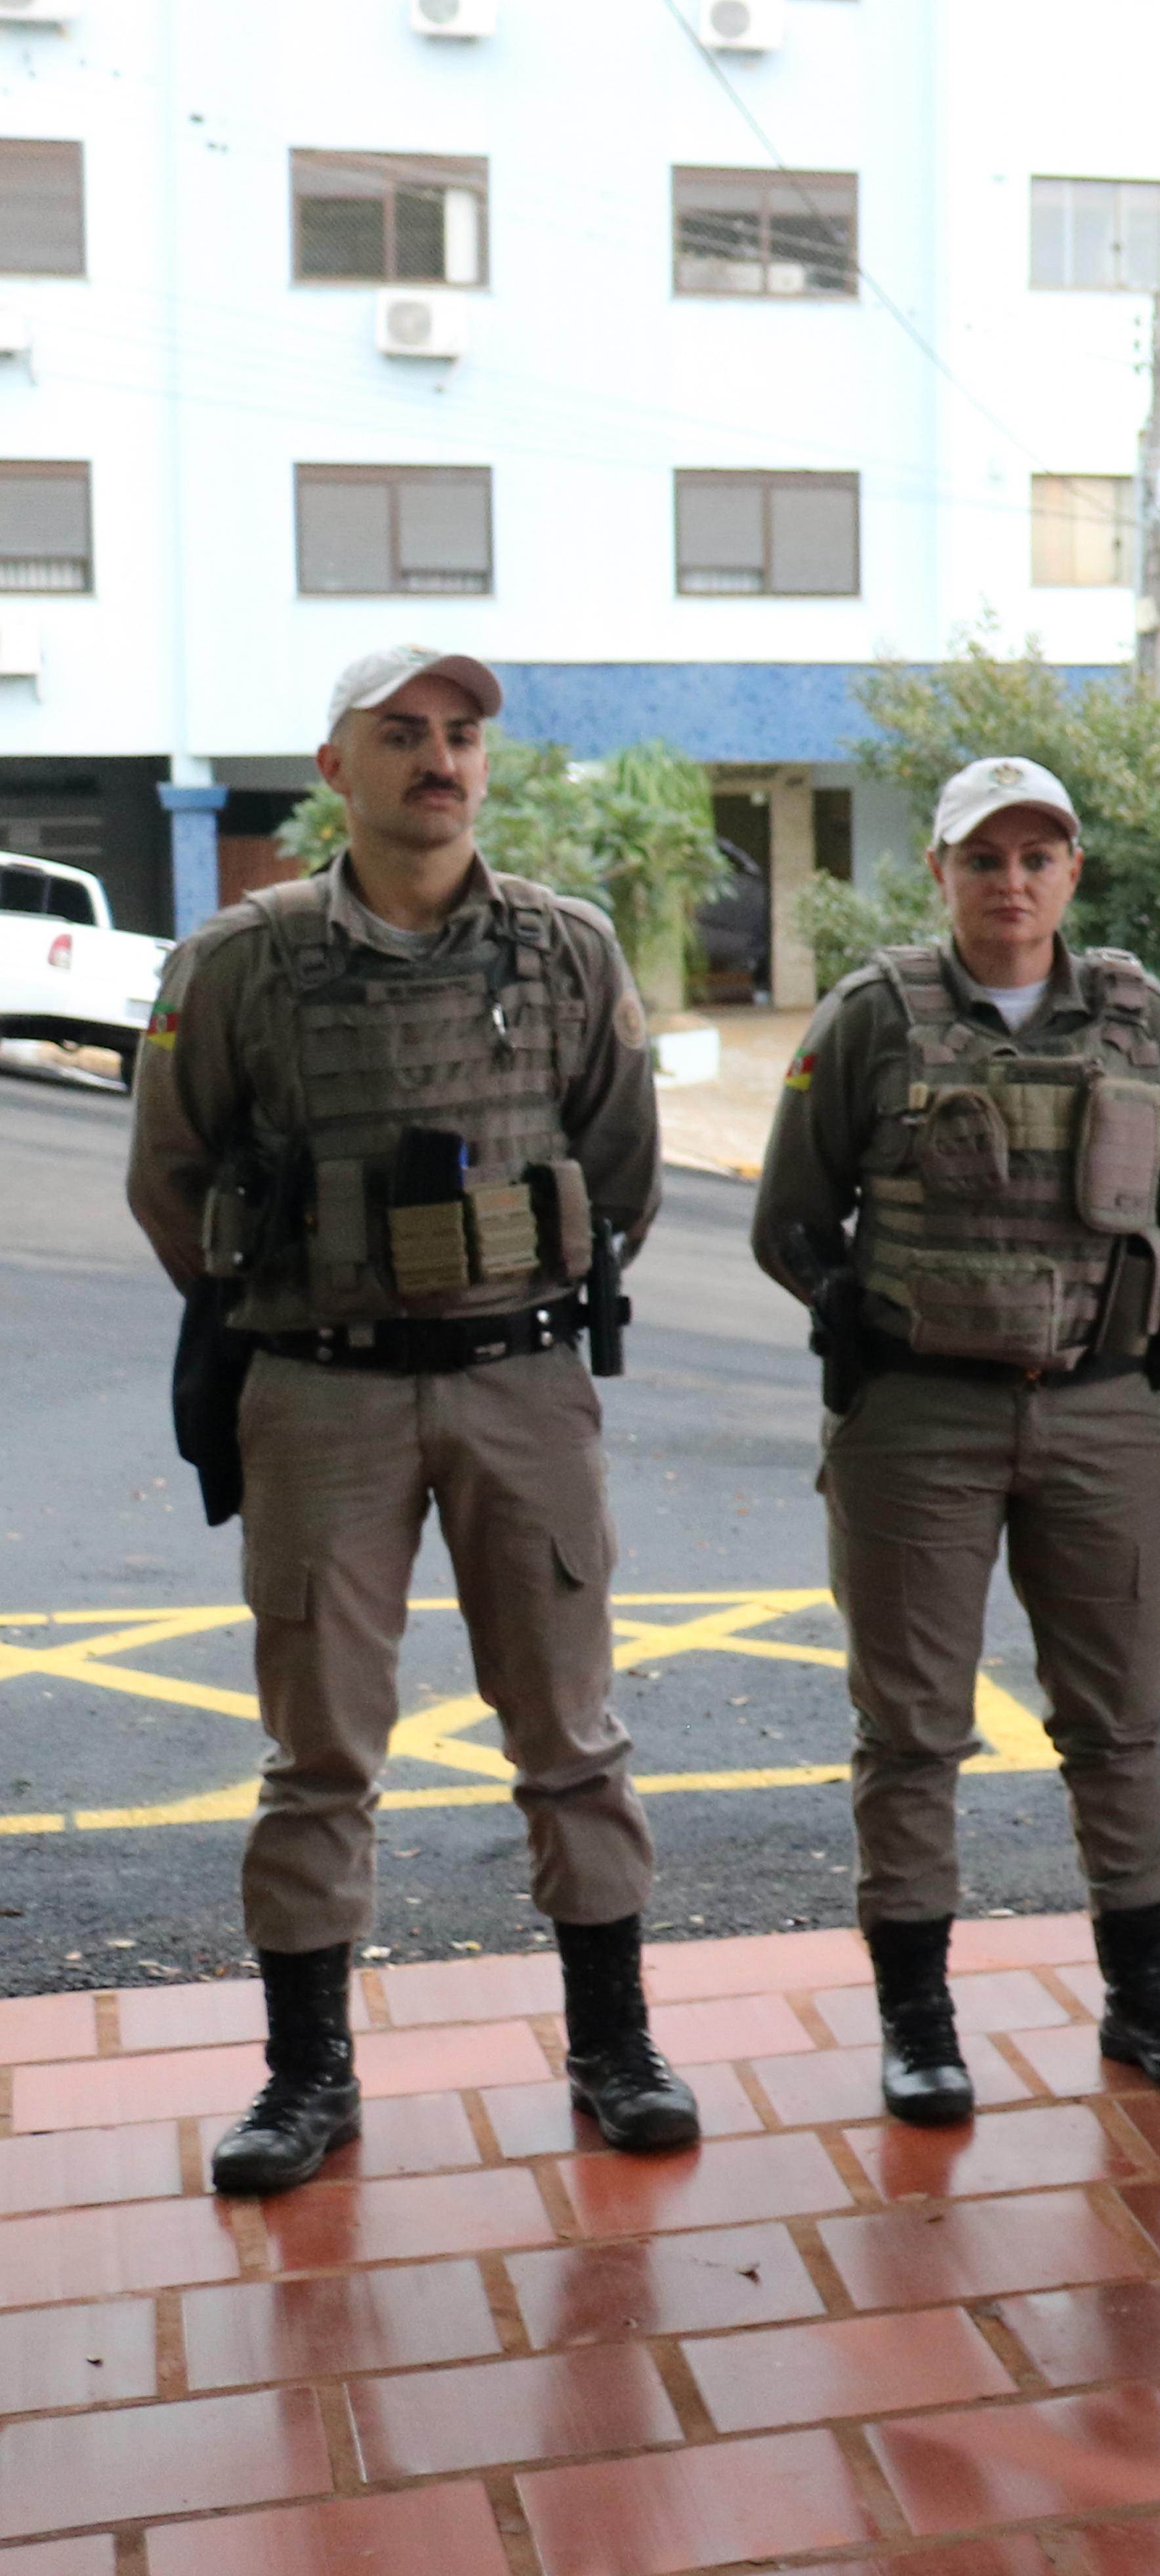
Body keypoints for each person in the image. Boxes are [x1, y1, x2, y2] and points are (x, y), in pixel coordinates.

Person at [126, 647, 699, 2193]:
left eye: (460, 736)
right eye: (401, 735)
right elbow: (170, 1180)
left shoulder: (567, 950)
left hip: (524, 1383)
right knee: (318, 1751)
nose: (439, 760)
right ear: (337, 768)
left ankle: (615, 2044)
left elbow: (623, 1171)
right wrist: (302, 1305)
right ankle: (306, 2076)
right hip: (321, 1394)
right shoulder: (239, 962)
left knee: (572, 1737)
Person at [753, 757, 1160, 2123]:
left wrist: (1126, 1362)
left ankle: (1145, 1997)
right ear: (941, 873)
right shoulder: (872, 1017)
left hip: (1100, 1414)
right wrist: (867, 1337)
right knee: (912, 1732)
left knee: (1121, 1723)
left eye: (1036, 857)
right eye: (983, 858)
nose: (1011, 883)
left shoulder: (1141, 1019)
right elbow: (791, 1222)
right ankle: (919, 2022)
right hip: (919, 1422)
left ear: (1073, 872)